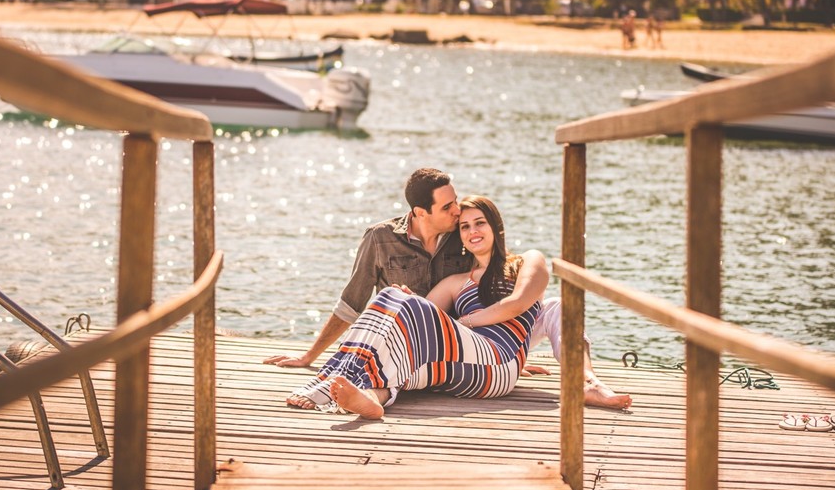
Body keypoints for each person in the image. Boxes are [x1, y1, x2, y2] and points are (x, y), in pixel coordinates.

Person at [285, 196, 631, 418]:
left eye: (480, 222)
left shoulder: (528, 261)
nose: (472, 231)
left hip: (499, 363)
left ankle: (587, 383)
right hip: (468, 368)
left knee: (559, 305)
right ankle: (372, 395)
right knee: (390, 300)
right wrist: (405, 300)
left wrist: (466, 321)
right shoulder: (456, 282)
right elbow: (415, 321)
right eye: (464, 226)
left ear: (496, 227)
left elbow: (518, 304)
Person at [264, 167, 466, 370]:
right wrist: (308, 357)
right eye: (447, 207)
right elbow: (351, 303)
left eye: (456, 201)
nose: (457, 210)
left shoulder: (464, 233)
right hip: (398, 349)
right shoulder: (380, 239)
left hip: (449, 348)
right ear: (421, 213)